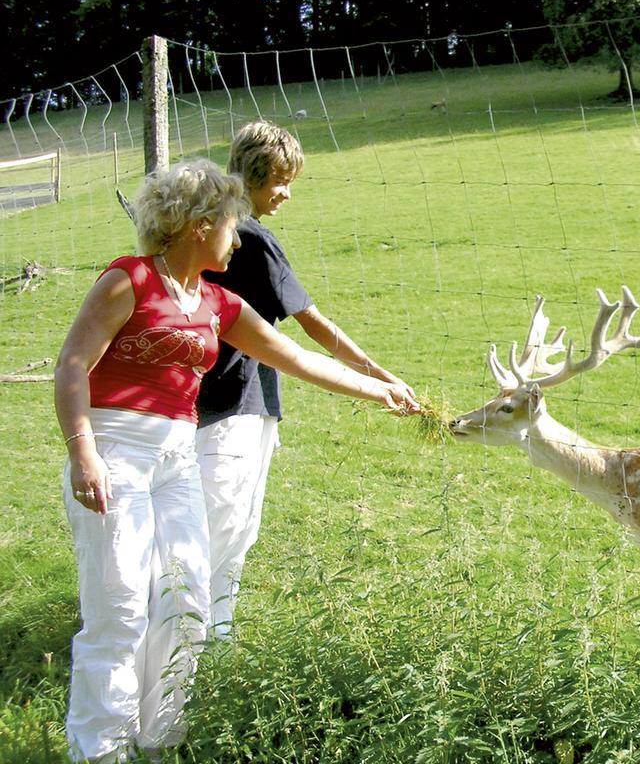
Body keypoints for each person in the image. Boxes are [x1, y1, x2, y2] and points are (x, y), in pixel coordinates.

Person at [55, 159, 417, 763]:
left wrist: (380, 388)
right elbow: (72, 367)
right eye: (231, 224)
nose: (238, 237)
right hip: (115, 451)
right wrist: (83, 450)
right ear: (200, 225)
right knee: (118, 609)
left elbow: (295, 358)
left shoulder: (218, 303)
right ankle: (100, 750)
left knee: (187, 597)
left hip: (175, 461)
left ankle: (160, 738)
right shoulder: (128, 281)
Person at [196, 121, 416, 639]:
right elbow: (312, 324)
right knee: (226, 529)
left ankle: (199, 636)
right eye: (281, 181)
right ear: (254, 173)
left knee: (206, 526)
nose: (288, 194)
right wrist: (380, 375)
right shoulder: (251, 238)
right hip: (239, 402)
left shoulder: (199, 226)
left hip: (195, 399)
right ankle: (198, 641)